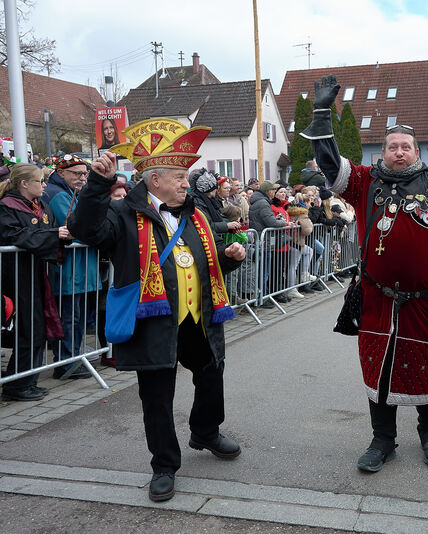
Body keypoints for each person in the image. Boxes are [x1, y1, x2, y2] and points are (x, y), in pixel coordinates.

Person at [68, 117, 246, 503]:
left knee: (212, 375)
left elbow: (206, 261)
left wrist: (230, 258)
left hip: (198, 318)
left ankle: (206, 430)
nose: (187, 183)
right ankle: (164, 465)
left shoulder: (195, 214)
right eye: (180, 177)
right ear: (155, 181)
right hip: (153, 322)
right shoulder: (122, 215)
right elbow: (84, 230)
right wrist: (97, 184)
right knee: (157, 397)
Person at [301, 75, 428, 472]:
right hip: (377, 300)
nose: (399, 152)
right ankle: (383, 441)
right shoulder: (364, 181)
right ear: (385, 150)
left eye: (406, 147)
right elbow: (329, 163)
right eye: (392, 146)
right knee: (378, 368)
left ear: (416, 151)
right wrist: (322, 115)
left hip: (427, 300)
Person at [0, 164, 69, 401]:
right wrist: (53, 235)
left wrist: (63, 236)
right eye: (40, 181)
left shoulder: (42, 207)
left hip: (38, 276)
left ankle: (28, 380)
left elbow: (47, 232)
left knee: (37, 328)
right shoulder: (7, 208)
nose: (44, 185)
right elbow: (13, 236)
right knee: (26, 329)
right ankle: (16, 385)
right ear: (24, 184)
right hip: (17, 278)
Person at [42, 154, 99, 379]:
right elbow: (77, 225)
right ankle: (66, 362)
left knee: (77, 317)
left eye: (84, 174)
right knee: (69, 317)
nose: (82, 178)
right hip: (68, 269)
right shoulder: (56, 195)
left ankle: (73, 359)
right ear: (61, 172)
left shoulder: (71, 192)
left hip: (80, 269)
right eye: (77, 173)